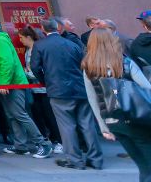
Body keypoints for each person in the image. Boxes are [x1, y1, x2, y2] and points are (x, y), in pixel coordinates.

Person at [0, 14, 53, 159]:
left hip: (12, 83)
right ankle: (20, 145)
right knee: (12, 115)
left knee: (19, 114)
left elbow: (6, 62)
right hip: (8, 82)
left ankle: (43, 143)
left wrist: (4, 83)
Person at [30, 17, 103, 170]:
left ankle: (75, 160)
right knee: (87, 124)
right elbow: (84, 64)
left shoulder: (40, 45)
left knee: (67, 126)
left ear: (43, 29)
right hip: (79, 88)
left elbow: (35, 67)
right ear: (58, 28)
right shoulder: (72, 44)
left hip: (58, 89)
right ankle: (95, 159)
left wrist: (45, 81)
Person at [82, 28, 151, 181]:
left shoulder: (88, 67)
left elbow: (93, 100)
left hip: (114, 121)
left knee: (142, 165)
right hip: (137, 119)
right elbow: (147, 89)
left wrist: (103, 127)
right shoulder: (125, 62)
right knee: (148, 164)